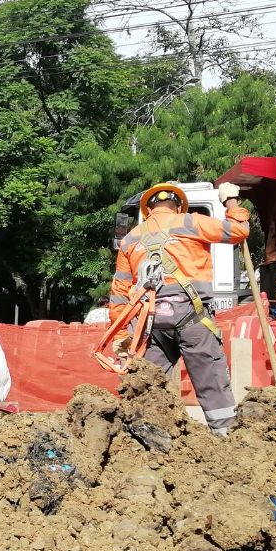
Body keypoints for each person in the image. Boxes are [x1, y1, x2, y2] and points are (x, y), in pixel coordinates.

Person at [108, 181, 248, 436]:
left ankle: (145, 440)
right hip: (192, 320)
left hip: (150, 326)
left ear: (148, 209)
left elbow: (119, 293)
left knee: (147, 388)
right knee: (211, 384)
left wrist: (121, 337)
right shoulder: (190, 222)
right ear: (179, 206)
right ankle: (226, 437)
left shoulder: (130, 239)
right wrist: (231, 201)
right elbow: (239, 230)